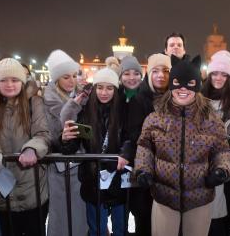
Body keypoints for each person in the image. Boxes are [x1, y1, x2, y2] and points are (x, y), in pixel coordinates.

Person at [134, 55, 230, 236]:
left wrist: (222, 169)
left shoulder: (211, 120)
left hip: (199, 197)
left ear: (197, 87)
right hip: (164, 196)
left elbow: (222, 150)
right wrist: (142, 170)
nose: (183, 89)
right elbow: (144, 148)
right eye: (178, 83)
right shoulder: (155, 118)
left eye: (189, 84)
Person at [0, 58, 50, 236]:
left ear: (22, 81)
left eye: (14, 80)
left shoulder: (34, 103)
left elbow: (42, 133)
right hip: (3, 190)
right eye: (3, 80)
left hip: (33, 187)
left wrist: (32, 148)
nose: (9, 84)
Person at [61, 67, 129, 236]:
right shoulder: (86, 113)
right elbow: (73, 146)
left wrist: (125, 154)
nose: (104, 92)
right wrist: (64, 140)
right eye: (99, 87)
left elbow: (131, 139)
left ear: (116, 89)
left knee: (120, 229)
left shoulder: (124, 112)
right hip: (93, 180)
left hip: (119, 179)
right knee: (96, 229)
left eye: (109, 88)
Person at [43, 49, 88, 236]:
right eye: (65, 77)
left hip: (80, 164)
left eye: (74, 76)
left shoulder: (79, 97)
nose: (71, 81)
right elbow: (49, 133)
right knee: (61, 215)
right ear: (56, 79)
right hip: (59, 167)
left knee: (79, 215)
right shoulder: (46, 100)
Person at [200, 50, 230, 236]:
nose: (218, 78)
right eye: (215, 73)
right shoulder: (199, 94)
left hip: (218, 160)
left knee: (214, 211)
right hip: (195, 157)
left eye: (224, 74)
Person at [128, 53, 172, 236]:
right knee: (144, 221)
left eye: (166, 71)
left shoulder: (177, 98)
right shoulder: (139, 99)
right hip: (146, 173)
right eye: (156, 71)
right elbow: (134, 134)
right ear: (149, 73)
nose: (161, 75)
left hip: (169, 175)